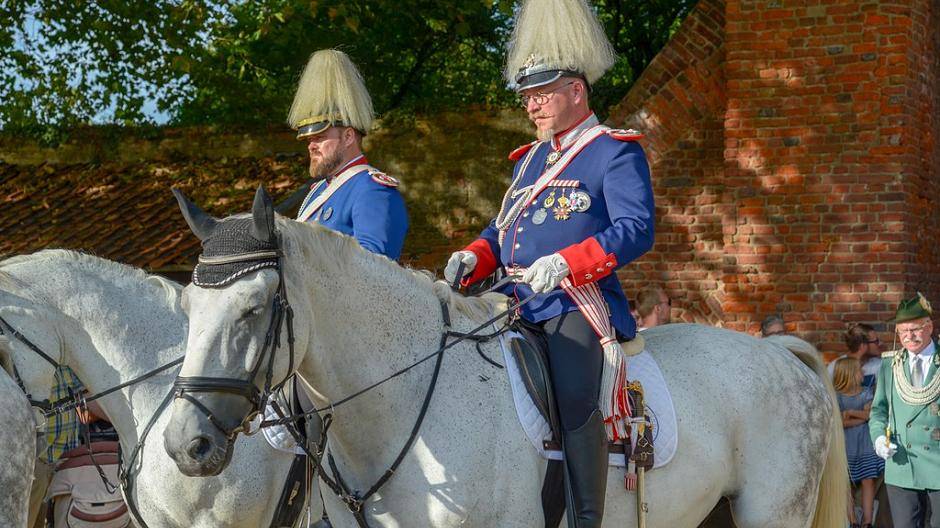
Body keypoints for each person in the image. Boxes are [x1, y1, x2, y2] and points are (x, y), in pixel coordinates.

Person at [444, 1, 654, 524]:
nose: (531, 107)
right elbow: (502, 230)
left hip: (574, 303)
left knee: (573, 394)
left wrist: (566, 263)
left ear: (576, 90)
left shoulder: (613, 151)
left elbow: (635, 229)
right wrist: (474, 255)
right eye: (526, 97)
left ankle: (585, 516)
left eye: (541, 95)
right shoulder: (531, 159)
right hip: (512, 299)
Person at [288, 49, 409, 260]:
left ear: (348, 136)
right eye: (309, 140)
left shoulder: (372, 190)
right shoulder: (318, 192)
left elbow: (374, 266)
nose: (311, 146)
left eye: (320, 137)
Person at [869, 292, 940, 528]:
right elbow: (878, 411)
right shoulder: (890, 364)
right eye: (902, 332)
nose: (909, 337)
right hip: (902, 462)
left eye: (914, 329)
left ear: (929, 327)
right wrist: (879, 439)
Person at [834, 357, 884, 528]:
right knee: (846, 483)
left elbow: (870, 414)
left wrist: (850, 412)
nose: (863, 372)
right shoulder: (837, 396)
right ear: (849, 374)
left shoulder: (866, 392)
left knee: (868, 480)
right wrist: (861, 418)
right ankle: (852, 521)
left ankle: (867, 521)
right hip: (846, 447)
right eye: (859, 370)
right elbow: (839, 423)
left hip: (865, 445)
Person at [828, 323, 883, 390]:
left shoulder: (880, 365)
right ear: (863, 346)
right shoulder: (835, 368)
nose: (880, 343)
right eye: (876, 341)